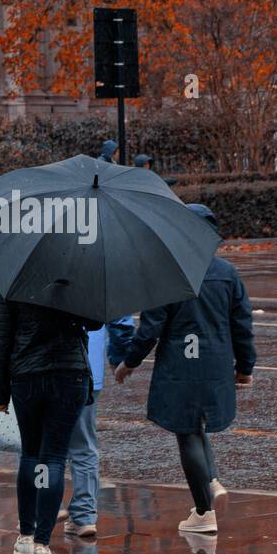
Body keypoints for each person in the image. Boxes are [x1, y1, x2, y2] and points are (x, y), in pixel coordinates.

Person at [114, 204, 255, 534]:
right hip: (217, 364)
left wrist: (129, 362)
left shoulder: (167, 273)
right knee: (200, 426)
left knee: (187, 431)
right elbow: (243, 326)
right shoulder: (228, 273)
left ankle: (204, 512)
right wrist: (245, 367)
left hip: (180, 366)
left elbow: (151, 328)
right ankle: (213, 482)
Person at [0, 296, 102, 554]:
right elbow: (95, 322)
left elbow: (1, 338)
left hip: (27, 375)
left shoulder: (14, 277)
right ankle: (42, 547)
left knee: (30, 454)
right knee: (54, 457)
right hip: (69, 373)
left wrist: (0, 392)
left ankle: (26, 537)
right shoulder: (76, 275)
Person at [62, 317, 134, 536]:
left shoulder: (34, 282)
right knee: (83, 444)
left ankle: (39, 510)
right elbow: (120, 319)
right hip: (87, 367)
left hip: (42, 367)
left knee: (41, 445)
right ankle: (84, 517)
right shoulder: (99, 282)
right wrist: (119, 357)